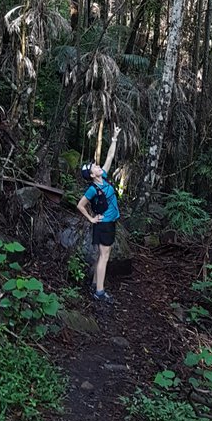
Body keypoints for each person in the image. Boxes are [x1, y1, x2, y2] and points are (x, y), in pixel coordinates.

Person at [77, 126, 121, 303]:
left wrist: (114, 139)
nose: (98, 166)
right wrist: (91, 219)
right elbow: (80, 205)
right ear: (92, 175)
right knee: (104, 256)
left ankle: (95, 283)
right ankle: (99, 292)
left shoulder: (103, 177)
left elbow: (110, 157)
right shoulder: (92, 189)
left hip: (109, 223)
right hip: (104, 224)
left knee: (102, 255)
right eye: (94, 167)